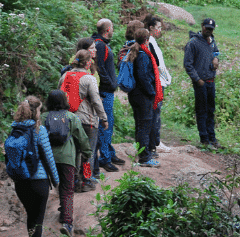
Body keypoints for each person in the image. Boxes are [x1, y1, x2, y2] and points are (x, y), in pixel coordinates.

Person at [42, 90, 92, 236]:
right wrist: (87, 153)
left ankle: (37, 220)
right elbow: (82, 138)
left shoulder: (44, 117)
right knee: (67, 190)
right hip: (67, 159)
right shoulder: (71, 117)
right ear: (65, 101)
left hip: (48, 158)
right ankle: (67, 222)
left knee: (48, 187)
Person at [8, 96, 60, 237]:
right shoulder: (39, 130)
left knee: (31, 217)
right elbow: (48, 157)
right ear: (35, 111)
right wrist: (56, 181)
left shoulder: (14, 129)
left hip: (21, 183)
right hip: (39, 182)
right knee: (38, 221)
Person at [59, 49, 108, 192]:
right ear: (88, 63)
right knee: (88, 152)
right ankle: (86, 180)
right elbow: (96, 101)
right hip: (87, 121)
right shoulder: (89, 78)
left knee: (73, 151)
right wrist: (104, 118)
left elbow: (58, 95)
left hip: (68, 120)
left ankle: (72, 181)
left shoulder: (65, 76)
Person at [91, 19, 125, 173]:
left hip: (106, 91)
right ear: (108, 29)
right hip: (105, 92)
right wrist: (110, 83)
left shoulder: (101, 43)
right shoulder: (99, 45)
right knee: (105, 125)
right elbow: (99, 69)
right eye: (112, 28)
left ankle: (109, 153)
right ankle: (104, 158)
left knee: (108, 124)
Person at [126, 28, 164, 167]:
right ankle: (145, 158)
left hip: (135, 95)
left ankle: (142, 153)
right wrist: (152, 92)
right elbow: (143, 77)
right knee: (144, 126)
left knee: (140, 125)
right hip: (142, 96)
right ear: (147, 40)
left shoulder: (136, 52)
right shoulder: (142, 55)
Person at [183, 18, 221, 149]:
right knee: (202, 111)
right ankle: (204, 139)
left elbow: (216, 51)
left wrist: (216, 58)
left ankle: (212, 138)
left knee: (211, 110)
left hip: (211, 80)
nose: (208, 31)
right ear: (202, 27)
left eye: (211, 29)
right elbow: (187, 64)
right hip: (201, 82)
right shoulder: (193, 43)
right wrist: (197, 79)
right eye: (207, 28)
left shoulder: (212, 41)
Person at [144, 15, 172, 156]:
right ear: (151, 28)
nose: (160, 30)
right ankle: (154, 143)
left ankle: (155, 141)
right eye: (158, 28)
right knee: (155, 114)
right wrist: (165, 77)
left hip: (160, 81)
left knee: (156, 114)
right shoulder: (149, 41)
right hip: (157, 82)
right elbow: (158, 64)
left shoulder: (152, 41)